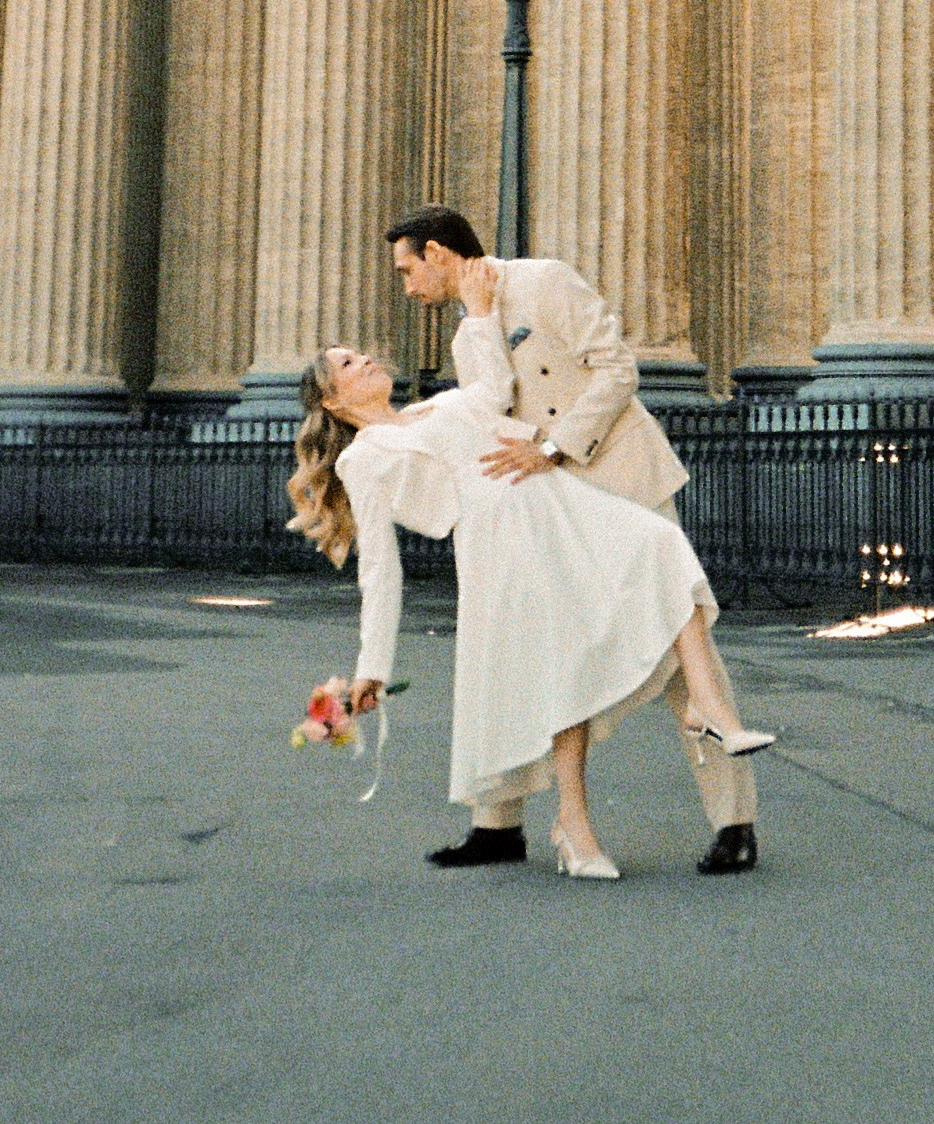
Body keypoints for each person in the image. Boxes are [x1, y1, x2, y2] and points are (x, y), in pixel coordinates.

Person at [288, 294, 771, 879]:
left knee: (661, 545)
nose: (364, 360)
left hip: (554, 505)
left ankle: (705, 705)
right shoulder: (362, 459)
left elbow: (492, 389)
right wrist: (374, 665)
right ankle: (576, 825)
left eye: (360, 354)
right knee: (562, 669)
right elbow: (381, 568)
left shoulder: (441, 405)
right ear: (334, 402)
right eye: (346, 364)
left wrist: (484, 313)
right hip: (501, 543)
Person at [387, 208, 763, 876]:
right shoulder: (466, 329)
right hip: (544, 506)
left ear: (439, 252)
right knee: (525, 643)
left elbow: (616, 369)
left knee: (680, 647)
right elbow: (486, 407)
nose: (407, 286)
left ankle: (734, 821)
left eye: (408, 268)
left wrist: (556, 446)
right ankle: (497, 822)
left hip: (616, 477)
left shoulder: (545, 281)